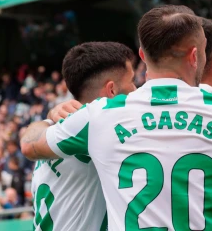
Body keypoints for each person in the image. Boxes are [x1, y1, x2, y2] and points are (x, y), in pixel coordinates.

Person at [21, 5, 212, 231]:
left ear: (142, 56)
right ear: (196, 55)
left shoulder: (100, 113)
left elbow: (30, 145)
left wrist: (50, 118)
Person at [30, 42, 136, 231]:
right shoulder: (98, 127)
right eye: (132, 80)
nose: (135, 89)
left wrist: (48, 117)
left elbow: (26, 141)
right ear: (111, 90)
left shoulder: (56, 129)